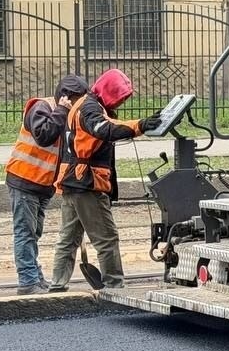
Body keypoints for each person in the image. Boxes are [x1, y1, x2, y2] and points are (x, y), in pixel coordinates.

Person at [50, 69, 162, 291]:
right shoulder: (91, 108)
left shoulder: (83, 104)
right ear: (109, 91)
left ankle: (57, 284)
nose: (119, 103)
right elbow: (104, 129)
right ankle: (114, 285)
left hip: (72, 181)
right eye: (119, 97)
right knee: (106, 238)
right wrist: (140, 125)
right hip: (87, 184)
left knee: (68, 238)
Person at [5, 74, 88, 296]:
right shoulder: (41, 107)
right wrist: (61, 111)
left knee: (34, 232)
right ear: (66, 97)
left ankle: (35, 276)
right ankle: (28, 280)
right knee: (25, 232)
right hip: (24, 180)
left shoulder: (69, 114)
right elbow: (44, 136)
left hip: (42, 185)